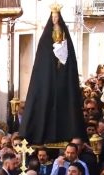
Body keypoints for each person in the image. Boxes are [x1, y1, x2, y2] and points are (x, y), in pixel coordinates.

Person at [19, 2, 87, 145]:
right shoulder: (44, 40)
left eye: (57, 17)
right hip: (48, 80)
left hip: (62, 79)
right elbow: (42, 62)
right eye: (53, 17)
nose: (55, 19)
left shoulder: (65, 37)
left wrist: (62, 52)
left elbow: (69, 61)